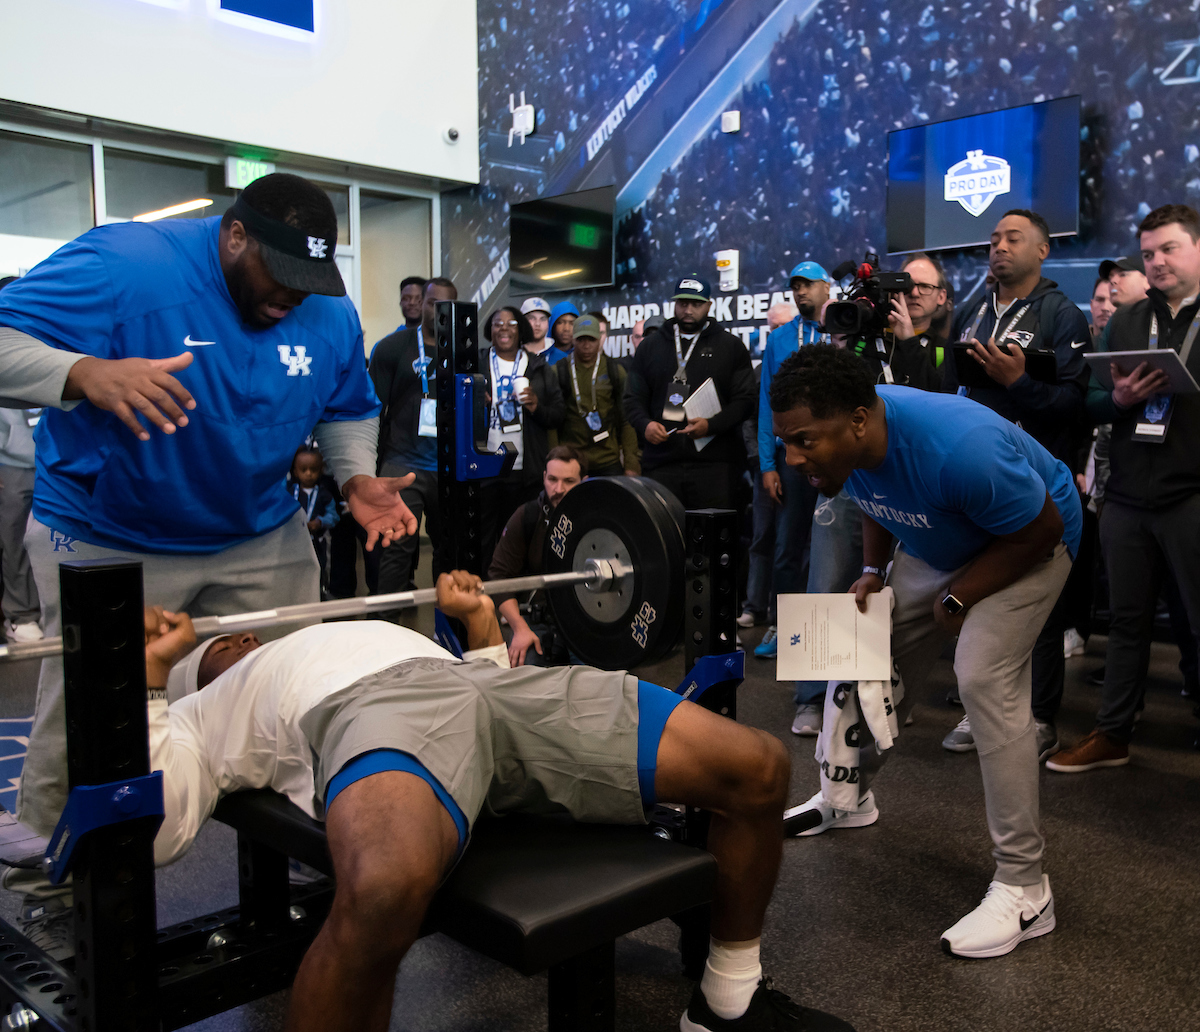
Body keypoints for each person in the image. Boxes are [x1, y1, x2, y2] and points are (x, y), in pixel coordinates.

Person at [0, 172, 416, 957]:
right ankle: (48, 894)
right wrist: (80, 373)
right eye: (279, 277)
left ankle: (298, 863)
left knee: (301, 688)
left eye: (309, 283)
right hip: (109, 527)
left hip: (256, 529)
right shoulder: (127, 265)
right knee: (87, 717)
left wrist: (354, 476)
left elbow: (350, 406)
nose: (292, 299)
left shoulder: (324, 310)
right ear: (234, 237)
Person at [145, 574, 857, 1032]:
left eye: (243, 636)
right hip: (377, 711)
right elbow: (160, 828)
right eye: (213, 650)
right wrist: (150, 681)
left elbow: (476, 714)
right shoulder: (202, 711)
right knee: (385, 886)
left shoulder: (333, 630)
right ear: (194, 684)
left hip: (484, 690)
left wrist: (479, 622)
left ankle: (725, 1002)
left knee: (756, 765)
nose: (237, 640)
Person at [775, 345, 1081, 959]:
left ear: (860, 420)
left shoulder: (958, 448)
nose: (793, 457)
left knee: (982, 676)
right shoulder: (851, 442)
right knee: (865, 647)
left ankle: (1026, 887)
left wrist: (961, 599)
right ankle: (848, 795)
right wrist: (870, 568)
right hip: (940, 533)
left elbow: (1039, 529)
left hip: (1026, 542)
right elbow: (875, 498)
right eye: (787, 442)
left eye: (804, 441)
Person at [1049, 204, 1200, 772]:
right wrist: (1118, 401)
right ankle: (1112, 732)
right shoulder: (1129, 320)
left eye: (1169, 249)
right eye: (1148, 253)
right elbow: (1088, 401)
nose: (1157, 262)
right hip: (1130, 495)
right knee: (1125, 624)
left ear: (1198, 247)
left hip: (1193, 492)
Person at [941, 209, 1092, 761]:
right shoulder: (973, 311)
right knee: (978, 589)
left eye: (1013, 238)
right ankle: (977, 705)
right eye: (994, 239)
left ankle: (1040, 715)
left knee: (1036, 603)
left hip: (1036, 480)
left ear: (1042, 250)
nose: (998, 246)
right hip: (977, 479)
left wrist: (1019, 382)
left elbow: (1074, 407)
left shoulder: (1062, 314)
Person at [753, 263, 829, 668]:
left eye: (807, 285)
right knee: (787, 547)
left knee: (832, 546)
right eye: (795, 286)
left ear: (825, 288)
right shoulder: (780, 339)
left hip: (833, 457)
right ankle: (783, 627)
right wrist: (768, 465)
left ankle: (826, 631)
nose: (801, 292)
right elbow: (767, 405)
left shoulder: (840, 334)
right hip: (791, 460)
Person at [625, 276, 754, 509]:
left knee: (711, 540)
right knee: (665, 539)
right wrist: (645, 425)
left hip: (715, 465)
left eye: (696, 304)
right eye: (682, 303)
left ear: (709, 305)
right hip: (661, 464)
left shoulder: (730, 346)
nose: (688, 310)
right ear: (674, 305)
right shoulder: (649, 346)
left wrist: (711, 425)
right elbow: (632, 398)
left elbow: (745, 401)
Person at [368, 277, 459, 595]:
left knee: (449, 551)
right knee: (396, 549)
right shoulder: (393, 347)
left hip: (449, 467)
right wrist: (371, 467)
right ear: (422, 304)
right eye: (433, 303)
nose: (439, 311)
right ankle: (384, 632)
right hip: (402, 463)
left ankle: (446, 631)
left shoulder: (465, 352)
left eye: (448, 305)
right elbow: (372, 409)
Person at [480, 306, 565, 573]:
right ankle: (482, 598)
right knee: (483, 540)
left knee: (518, 538)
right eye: (497, 323)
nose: (503, 328)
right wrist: (473, 402)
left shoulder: (540, 367)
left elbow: (558, 415)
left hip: (524, 469)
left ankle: (514, 601)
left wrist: (536, 407)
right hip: (486, 466)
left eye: (511, 323)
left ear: (521, 331)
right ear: (490, 330)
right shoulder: (477, 363)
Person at [488, 445, 585, 667]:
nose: (558, 489)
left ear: (584, 480)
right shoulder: (528, 516)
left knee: (601, 685)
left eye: (569, 481)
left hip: (584, 621)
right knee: (528, 674)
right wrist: (519, 628)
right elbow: (498, 576)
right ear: (543, 477)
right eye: (552, 479)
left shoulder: (599, 518)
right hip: (537, 619)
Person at [550, 314, 639, 477]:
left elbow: (626, 419)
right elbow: (551, 422)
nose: (586, 345)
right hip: (570, 461)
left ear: (599, 339)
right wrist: (553, 461)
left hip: (608, 460)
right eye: (581, 339)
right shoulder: (558, 371)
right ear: (573, 339)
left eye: (591, 339)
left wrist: (631, 463)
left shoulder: (615, 371)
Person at [0, 406, 41, 643]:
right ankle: (21, 616)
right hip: (11, 462)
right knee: (16, 541)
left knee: (63, 539)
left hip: (58, 457)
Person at [289, 445, 339, 596]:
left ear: (321, 470)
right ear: (295, 471)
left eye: (314, 469)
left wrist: (321, 522)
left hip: (318, 542)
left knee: (320, 568)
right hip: (294, 542)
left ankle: (320, 592)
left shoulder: (324, 494)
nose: (309, 474)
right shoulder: (290, 493)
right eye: (303, 470)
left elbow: (334, 516)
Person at [520, 296, 567, 364]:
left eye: (543, 319)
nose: (537, 324)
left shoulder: (562, 359)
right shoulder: (511, 356)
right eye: (532, 318)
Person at [1088, 275, 1117, 341]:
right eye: (1100, 300)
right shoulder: (1076, 339)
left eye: (1112, 301)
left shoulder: (1133, 344)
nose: (1105, 308)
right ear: (1091, 306)